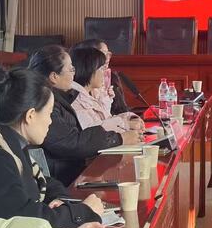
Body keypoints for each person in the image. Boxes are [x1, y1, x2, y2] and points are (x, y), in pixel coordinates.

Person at [0, 64, 108, 228]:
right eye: (49, 113)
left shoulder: (7, 140)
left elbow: (44, 182)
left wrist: (59, 199)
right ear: (30, 115)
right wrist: (83, 211)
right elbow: (25, 220)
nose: (50, 121)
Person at [29, 45, 140, 184]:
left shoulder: (59, 97)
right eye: (71, 69)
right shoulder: (44, 103)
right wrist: (118, 139)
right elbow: (70, 143)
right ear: (54, 76)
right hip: (64, 179)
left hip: (71, 174)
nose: (74, 74)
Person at [69, 46, 145, 133]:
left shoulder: (91, 95)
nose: (105, 73)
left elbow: (107, 119)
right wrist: (126, 124)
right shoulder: (74, 98)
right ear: (89, 69)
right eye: (102, 69)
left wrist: (131, 118)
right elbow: (93, 132)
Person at [73, 38, 134, 115]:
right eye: (103, 54)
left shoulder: (112, 78)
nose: (107, 58)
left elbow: (122, 109)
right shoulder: (77, 91)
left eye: (108, 54)